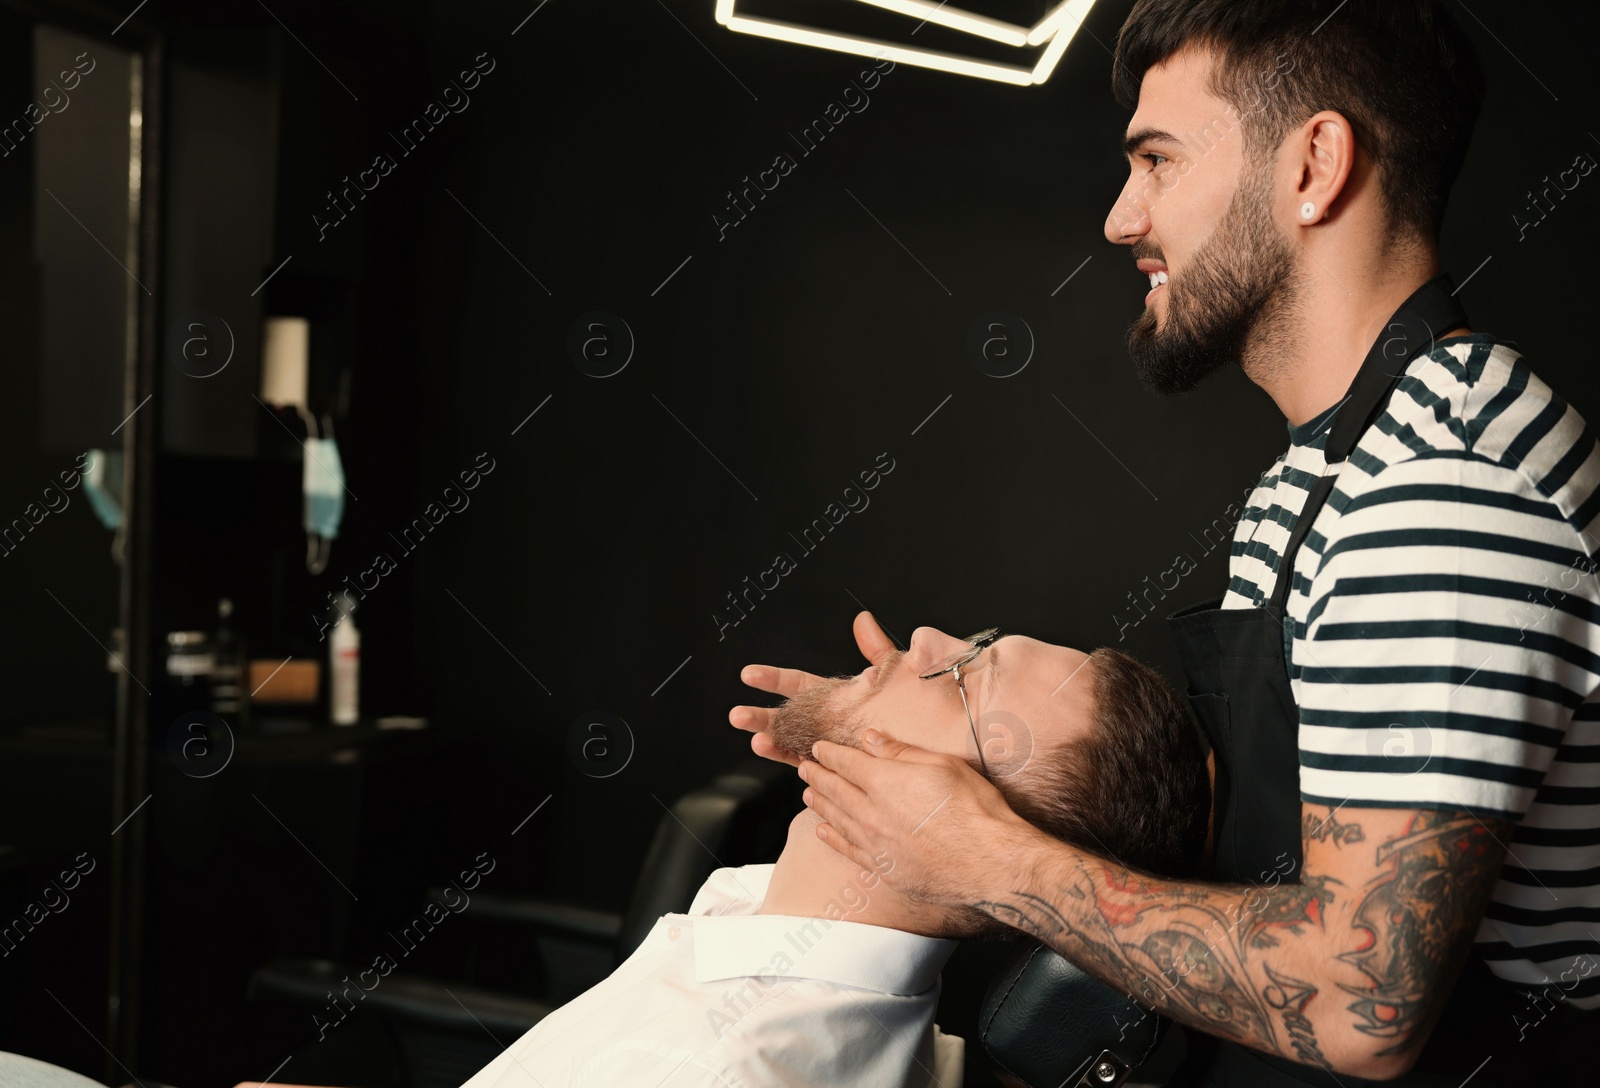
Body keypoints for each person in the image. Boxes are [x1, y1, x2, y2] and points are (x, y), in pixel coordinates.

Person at [732, 3, 1600, 1087]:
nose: (1119, 217)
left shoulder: (1445, 485)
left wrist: (988, 856)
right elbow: (1257, 828)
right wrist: (900, 729)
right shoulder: (1324, 470)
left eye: (1157, 160)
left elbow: (1359, 1003)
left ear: (1314, 166)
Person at [458, 624, 1208, 1088]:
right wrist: (860, 728)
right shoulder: (836, 988)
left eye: (965, 680)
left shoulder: (701, 1070)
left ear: (957, 824)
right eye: (975, 644)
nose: (921, 640)